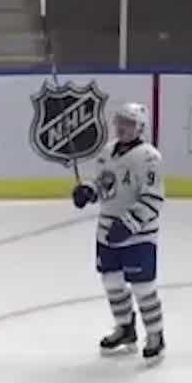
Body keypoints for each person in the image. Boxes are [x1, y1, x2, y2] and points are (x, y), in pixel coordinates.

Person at [73, 101, 166, 361]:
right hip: (106, 231)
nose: (123, 127)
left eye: (130, 123)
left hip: (138, 235)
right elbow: (106, 184)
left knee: (143, 286)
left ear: (141, 128)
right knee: (112, 282)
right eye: (120, 122)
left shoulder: (149, 158)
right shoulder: (107, 151)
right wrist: (89, 191)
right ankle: (125, 328)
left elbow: (153, 198)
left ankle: (155, 334)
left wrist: (129, 224)